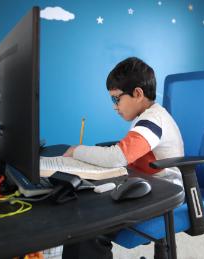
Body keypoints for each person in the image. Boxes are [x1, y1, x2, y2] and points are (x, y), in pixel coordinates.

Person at [61, 57, 184, 259]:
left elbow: (117, 157)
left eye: (116, 99)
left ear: (137, 93)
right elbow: (125, 153)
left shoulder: (153, 120)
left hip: (165, 192)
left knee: (88, 227)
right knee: (86, 210)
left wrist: (77, 150)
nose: (114, 106)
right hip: (147, 184)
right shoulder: (145, 118)